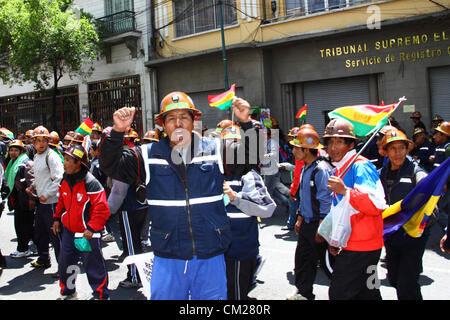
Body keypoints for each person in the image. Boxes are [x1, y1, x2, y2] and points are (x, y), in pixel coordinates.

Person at [99, 91, 259, 300]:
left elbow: (253, 156)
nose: (178, 123)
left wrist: (246, 122)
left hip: (211, 254)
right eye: (172, 119)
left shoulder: (215, 150)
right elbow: (110, 165)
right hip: (168, 257)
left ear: (194, 121)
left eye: (184, 117)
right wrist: (117, 131)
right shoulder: (147, 155)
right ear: (163, 125)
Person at [321, 118, 387, 300]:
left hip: (361, 248)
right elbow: (340, 210)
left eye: (339, 142)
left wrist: (345, 191)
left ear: (351, 144)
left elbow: (376, 204)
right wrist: (335, 239)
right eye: (330, 142)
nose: (333, 147)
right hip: (355, 244)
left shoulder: (361, 166)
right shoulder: (340, 168)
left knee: (339, 294)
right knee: (369, 293)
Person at [220, 123, 276, 300]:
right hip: (217, 252)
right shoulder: (214, 175)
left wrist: (236, 198)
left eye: (234, 145)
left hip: (239, 252)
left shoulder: (249, 176)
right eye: (226, 146)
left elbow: (268, 208)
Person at [52, 145, 110, 300]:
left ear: (79, 163)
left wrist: (91, 228)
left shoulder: (91, 182)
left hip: (86, 234)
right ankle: (69, 293)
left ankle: (100, 295)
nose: (64, 163)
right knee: (66, 265)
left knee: (93, 267)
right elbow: (61, 202)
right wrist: (57, 219)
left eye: (68, 160)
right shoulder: (65, 179)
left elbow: (102, 209)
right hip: (69, 232)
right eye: (64, 159)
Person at [378, 128, 429, 300]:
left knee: (407, 282)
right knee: (394, 279)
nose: (397, 152)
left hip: (412, 236)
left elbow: (430, 200)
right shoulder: (381, 175)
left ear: (407, 150)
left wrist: (420, 226)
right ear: (386, 152)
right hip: (391, 235)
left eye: (401, 148)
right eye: (392, 148)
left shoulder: (417, 173)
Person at [286, 127, 333, 300]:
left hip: (318, 224)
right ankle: (304, 293)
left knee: (328, 266)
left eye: (296, 147)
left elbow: (326, 201)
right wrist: (299, 218)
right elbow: (303, 197)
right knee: (302, 261)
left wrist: (322, 228)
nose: (293, 151)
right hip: (306, 223)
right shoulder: (307, 167)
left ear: (306, 150)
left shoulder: (321, 169)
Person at [26, 126, 64, 269]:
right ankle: (43, 259)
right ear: (33, 143)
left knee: (56, 236)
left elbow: (58, 179)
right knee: (40, 233)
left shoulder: (51, 156)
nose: (41, 143)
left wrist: (47, 194)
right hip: (41, 202)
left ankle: (63, 266)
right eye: (38, 141)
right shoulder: (37, 156)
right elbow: (40, 176)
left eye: (44, 140)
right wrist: (33, 186)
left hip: (52, 203)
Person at [4, 140, 35, 258]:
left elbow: (32, 182)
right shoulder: (12, 163)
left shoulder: (26, 163)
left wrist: (31, 199)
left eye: (16, 150)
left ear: (21, 151)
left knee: (24, 225)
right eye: (11, 150)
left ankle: (24, 249)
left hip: (25, 198)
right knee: (21, 225)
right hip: (17, 198)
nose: (13, 152)